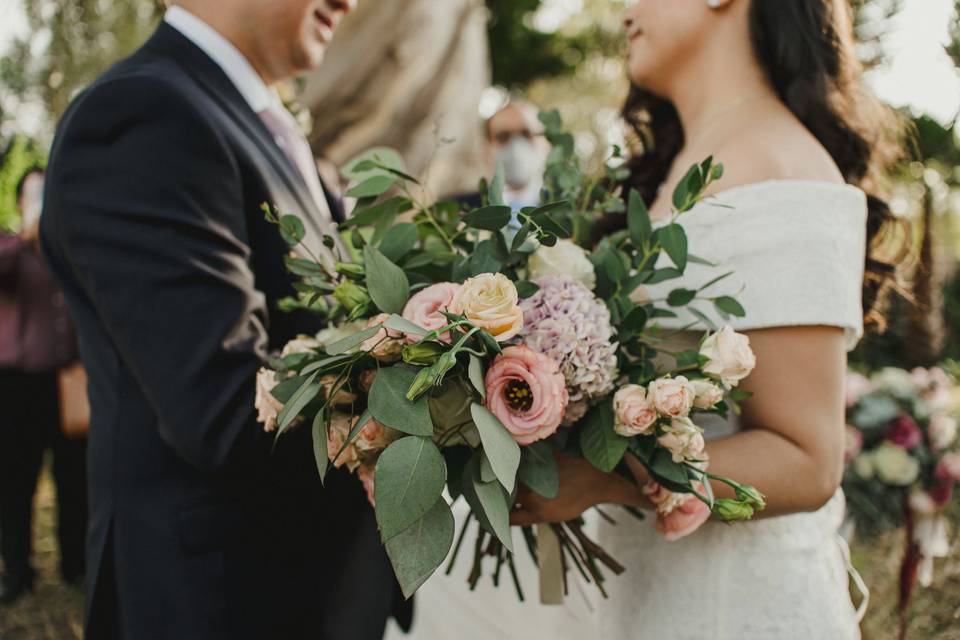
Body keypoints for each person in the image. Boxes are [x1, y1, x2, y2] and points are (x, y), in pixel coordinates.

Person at [399, 0, 902, 638]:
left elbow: (808, 460)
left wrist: (602, 478)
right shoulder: (677, 170)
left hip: (731, 611)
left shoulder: (781, 163)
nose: (626, 10)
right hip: (644, 598)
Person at [40, 1, 402, 638]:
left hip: (312, 589)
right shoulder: (145, 116)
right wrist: (426, 384)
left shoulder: (261, 124)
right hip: (219, 603)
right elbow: (228, 410)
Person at [0, 166, 87, 605]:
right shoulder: (8, 246)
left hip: (66, 383)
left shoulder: (67, 251)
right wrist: (25, 238)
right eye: (32, 194)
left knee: (73, 478)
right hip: (15, 388)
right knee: (16, 483)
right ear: (19, 202)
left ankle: (75, 565)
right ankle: (18, 573)